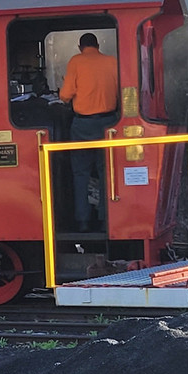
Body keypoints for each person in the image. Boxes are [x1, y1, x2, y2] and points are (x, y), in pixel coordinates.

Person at [59, 33, 119, 232]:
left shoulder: (76, 62)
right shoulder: (112, 62)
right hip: (109, 125)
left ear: (79, 46)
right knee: (106, 173)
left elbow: (65, 96)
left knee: (81, 173)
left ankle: (83, 221)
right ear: (98, 45)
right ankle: (104, 219)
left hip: (83, 126)